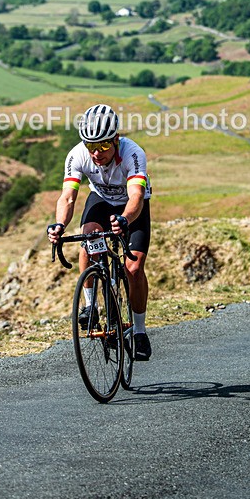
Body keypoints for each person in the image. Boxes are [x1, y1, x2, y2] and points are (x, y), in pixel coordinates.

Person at [47, 103, 152, 361]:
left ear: (116, 140)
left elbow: (136, 195)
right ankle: (91, 302)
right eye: (91, 147)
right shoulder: (77, 155)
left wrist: (125, 219)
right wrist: (59, 224)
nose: (96, 153)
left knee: (134, 268)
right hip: (101, 200)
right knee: (90, 236)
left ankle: (139, 331)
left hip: (132, 206)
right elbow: (68, 197)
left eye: (103, 146)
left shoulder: (133, 153)